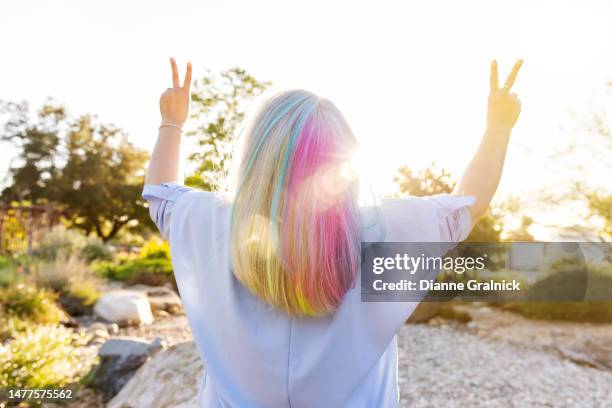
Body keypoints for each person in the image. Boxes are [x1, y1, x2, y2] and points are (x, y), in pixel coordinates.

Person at [142, 57, 523, 407]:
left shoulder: (211, 221)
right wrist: (498, 130)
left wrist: (171, 123)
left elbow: (160, 195)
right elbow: (469, 204)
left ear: (256, 155)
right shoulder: (381, 231)